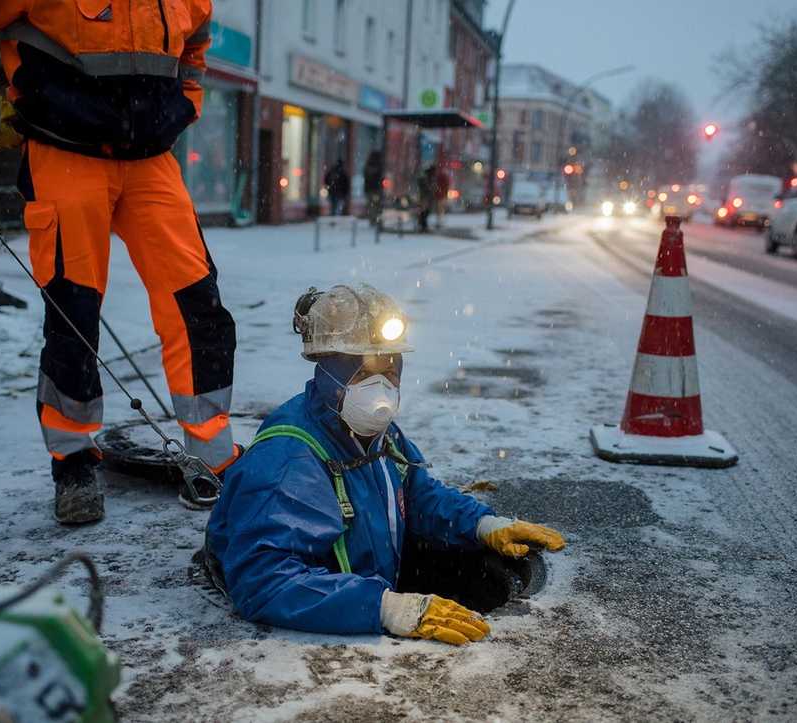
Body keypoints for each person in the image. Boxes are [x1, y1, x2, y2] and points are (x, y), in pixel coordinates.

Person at [0, 0, 238, 524]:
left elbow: (196, 40)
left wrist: (185, 102)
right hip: (65, 150)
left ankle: (213, 453)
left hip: (151, 159)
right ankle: (73, 463)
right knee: (74, 312)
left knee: (196, 300)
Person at [205, 284, 565, 645]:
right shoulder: (288, 458)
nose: (381, 385)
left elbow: (416, 494)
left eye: (391, 367)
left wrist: (483, 525)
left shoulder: (377, 433)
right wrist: (382, 608)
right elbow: (263, 581)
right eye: (362, 372)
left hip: (365, 591)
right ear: (328, 371)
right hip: (324, 627)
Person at [362, 151, 384, 225]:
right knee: (377, 205)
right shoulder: (379, 166)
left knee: (372, 205)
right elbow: (380, 178)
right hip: (376, 189)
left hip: (369, 189)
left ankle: (372, 219)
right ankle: (376, 219)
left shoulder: (368, 166)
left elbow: (366, 178)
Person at [417, 165, 435, 231]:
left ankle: (423, 225)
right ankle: (423, 226)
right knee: (424, 211)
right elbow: (425, 187)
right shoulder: (426, 178)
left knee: (425, 211)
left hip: (426, 197)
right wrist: (430, 189)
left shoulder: (428, 178)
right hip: (425, 197)